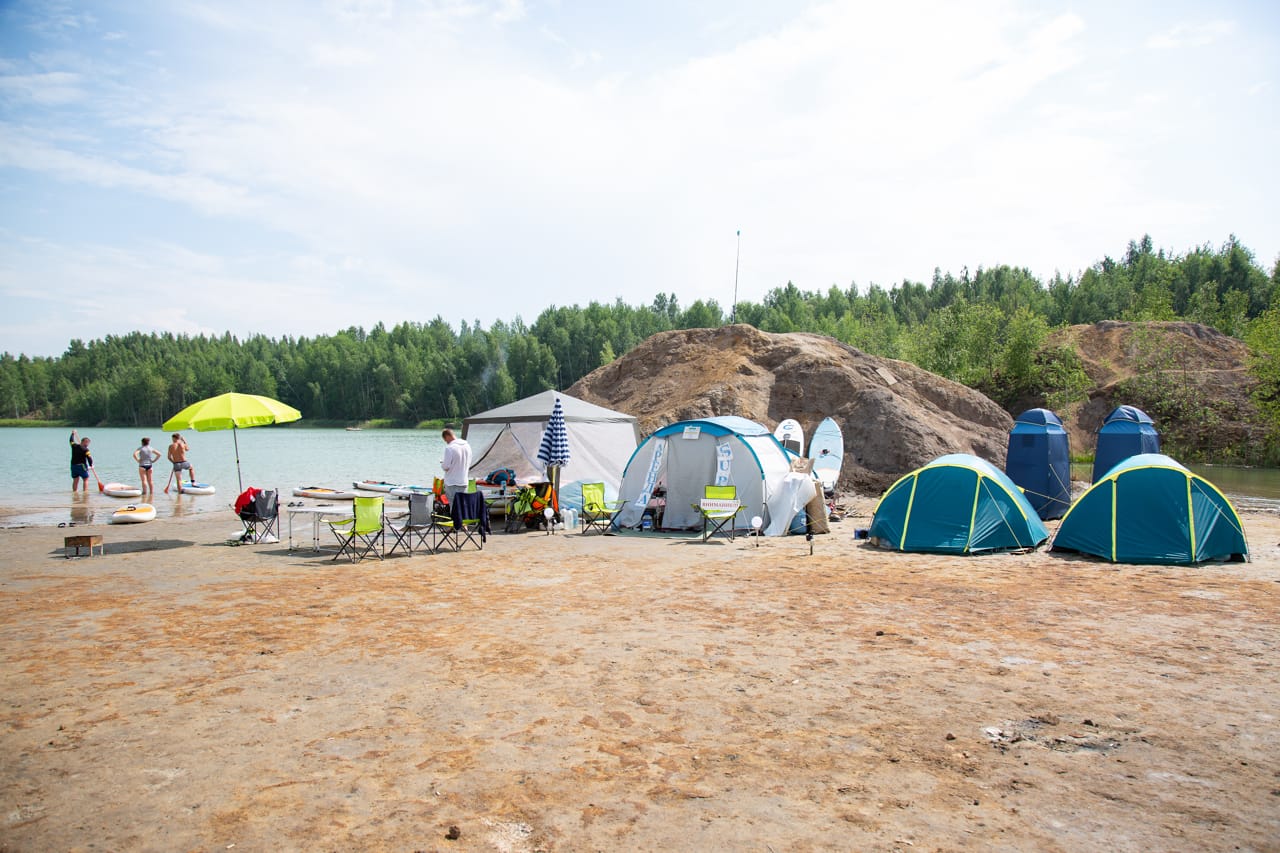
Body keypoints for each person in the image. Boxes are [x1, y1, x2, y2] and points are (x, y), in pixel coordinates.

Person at [440, 428, 472, 501]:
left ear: (447, 436)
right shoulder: (467, 446)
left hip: (452, 482)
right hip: (463, 481)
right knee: (462, 505)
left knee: (453, 506)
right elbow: (469, 462)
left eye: (445, 440)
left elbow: (446, 467)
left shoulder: (450, 448)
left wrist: (442, 463)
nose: (446, 442)